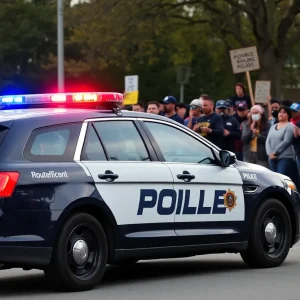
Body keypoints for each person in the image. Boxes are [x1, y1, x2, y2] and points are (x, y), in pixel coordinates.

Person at [266, 106, 295, 178]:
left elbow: (287, 141)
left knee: (281, 177)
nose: (281, 114)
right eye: (280, 112)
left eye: (284, 112)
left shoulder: (290, 126)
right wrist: (269, 153)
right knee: (274, 178)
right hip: (272, 157)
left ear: (288, 115)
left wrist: (275, 152)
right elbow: (267, 141)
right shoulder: (273, 126)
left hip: (285, 156)